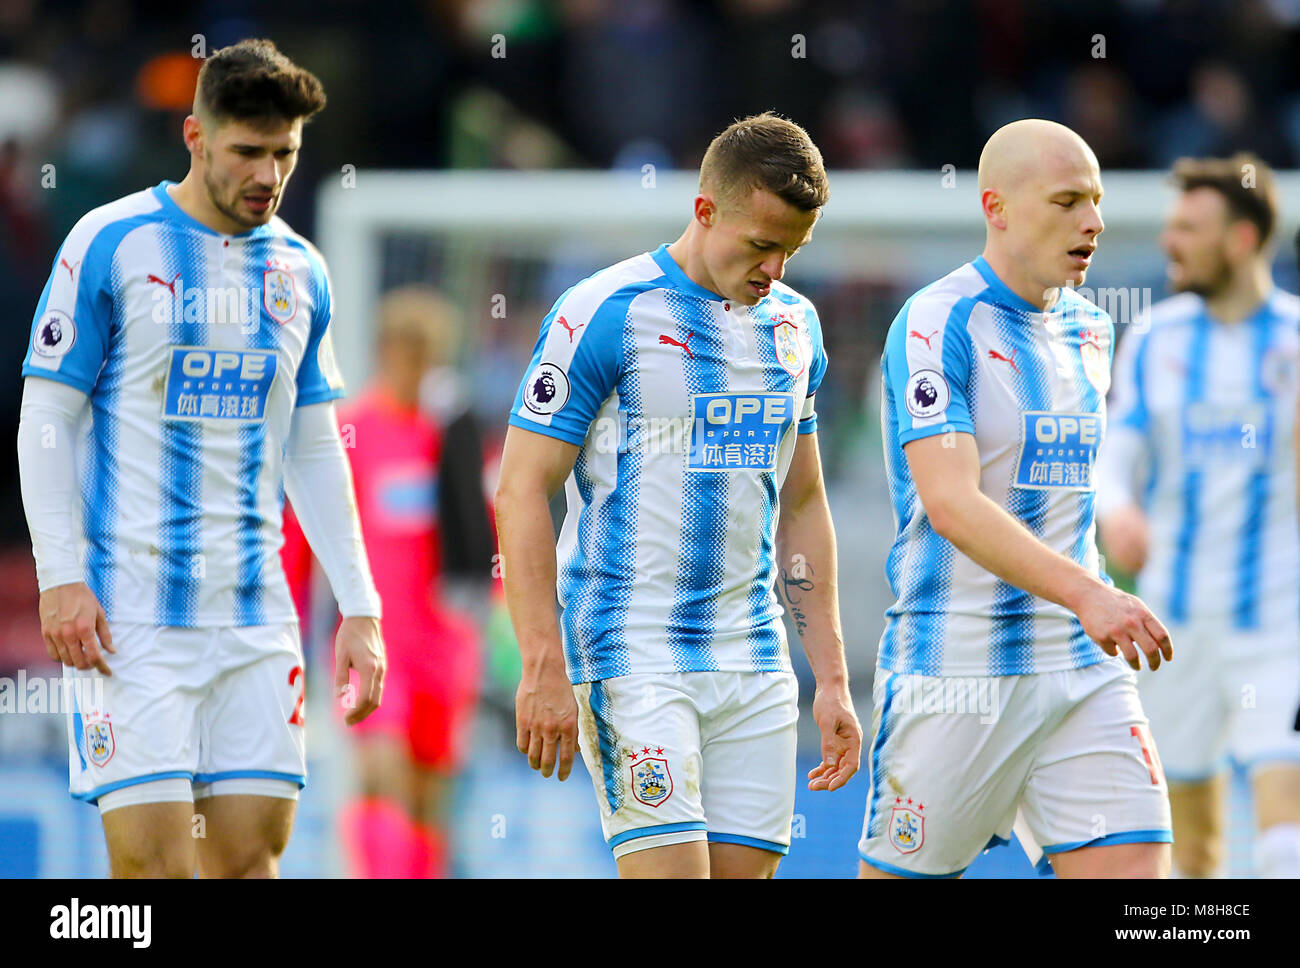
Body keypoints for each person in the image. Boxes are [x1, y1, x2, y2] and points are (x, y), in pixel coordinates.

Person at [17, 38, 385, 878]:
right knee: (151, 874)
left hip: (256, 620)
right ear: (195, 136)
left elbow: (315, 444)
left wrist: (359, 606)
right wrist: (59, 576)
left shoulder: (302, 268)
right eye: (246, 152)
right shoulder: (111, 244)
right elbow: (45, 414)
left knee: (250, 862)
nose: (267, 174)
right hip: (129, 618)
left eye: (284, 154)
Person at [494, 112, 862, 879]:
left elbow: (803, 501)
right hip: (632, 653)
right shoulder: (605, 312)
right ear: (704, 211)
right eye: (761, 245)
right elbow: (522, 488)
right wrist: (541, 662)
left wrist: (829, 675)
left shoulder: (797, 327)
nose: (775, 271)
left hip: (756, 661)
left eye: (792, 252)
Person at [860, 118, 1174, 879]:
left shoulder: (1094, 330)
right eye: (1067, 200)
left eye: (1095, 202)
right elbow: (951, 504)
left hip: (1081, 668)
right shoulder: (939, 323)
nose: (1093, 222)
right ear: (996, 206)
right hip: (959, 671)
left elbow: (1063, 491)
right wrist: (1091, 594)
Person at [1096, 155, 1300, 878]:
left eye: (1188, 227)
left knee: (1285, 835)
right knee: (1193, 850)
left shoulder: (1295, 345)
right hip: (1173, 624)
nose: (1169, 241)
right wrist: (1116, 508)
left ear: (1240, 240)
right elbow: (1115, 454)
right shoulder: (1157, 337)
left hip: (1277, 623)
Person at [282, 285, 492, 878]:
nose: (416, 365)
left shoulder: (452, 440)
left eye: (428, 354)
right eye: (407, 351)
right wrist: (289, 634)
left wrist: (501, 626)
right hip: (370, 646)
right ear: (384, 350)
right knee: (380, 779)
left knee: (429, 807)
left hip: (445, 651)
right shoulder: (350, 435)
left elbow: (488, 540)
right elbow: (300, 542)